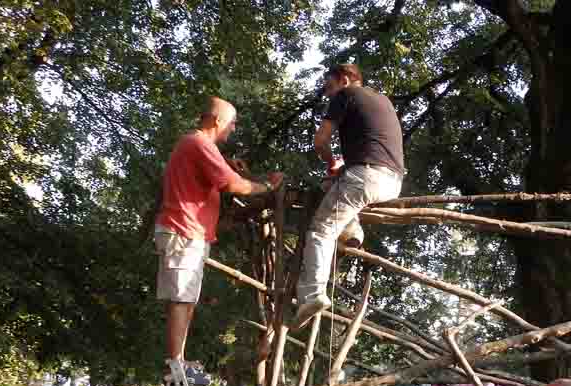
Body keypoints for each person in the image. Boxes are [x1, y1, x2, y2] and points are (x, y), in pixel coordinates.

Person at [155, 96, 283, 369]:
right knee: (181, 297)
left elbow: (220, 173)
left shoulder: (198, 145)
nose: (234, 129)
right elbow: (232, 185)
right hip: (183, 231)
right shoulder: (199, 143)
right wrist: (268, 187)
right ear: (217, 120)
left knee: (187, 297)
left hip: (189, 233)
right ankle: (175, 362)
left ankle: (178, 359)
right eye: (232, 123)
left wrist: (227, 165)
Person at [293, 64, 405, 328]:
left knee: (321, 231)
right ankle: (353, 232)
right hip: (392, 182)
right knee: (334, 187)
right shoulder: (382, 100)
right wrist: (339, 169)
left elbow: (320, 142)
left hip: (365, 178)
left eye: (329, 87)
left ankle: (311, 296)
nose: (328, 94)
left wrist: (331, 160)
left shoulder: (346, 95)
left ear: (344, 80)